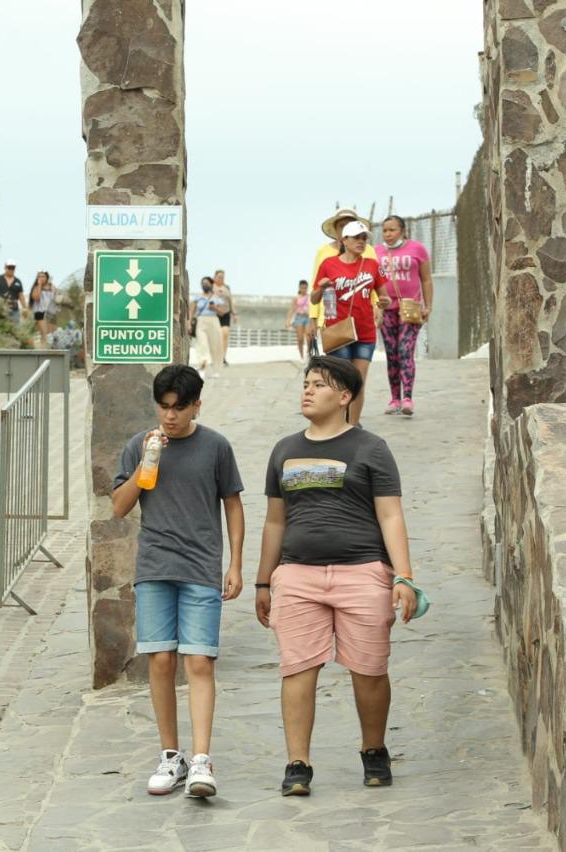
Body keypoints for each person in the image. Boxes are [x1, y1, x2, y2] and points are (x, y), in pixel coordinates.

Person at [254, 356, 418, 796]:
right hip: (296, 576)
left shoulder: (371, 448)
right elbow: (274, 521)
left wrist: (403, 576)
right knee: (298, 669)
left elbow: (391, 516)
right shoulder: (285, 450)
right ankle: (298, 764)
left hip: (362, 573)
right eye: (305, 384)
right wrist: (264, 581)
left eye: (319, 385)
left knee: (368, 670)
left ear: (344, 397)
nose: (307, 391)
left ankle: (373, 748)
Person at [112, 365, 245, 798]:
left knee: (199, 662)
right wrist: (145, 464)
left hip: (201, 567)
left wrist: (236, 563)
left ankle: (202, 759)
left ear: (196, 406)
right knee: (161, 661)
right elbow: (118, 507)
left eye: (180, 408)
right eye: (164, 407)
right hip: (154, 567)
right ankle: (172, 756)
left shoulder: (215, 447)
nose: (170, 416)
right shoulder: (139, 445)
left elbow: (233, 505)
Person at [311, 221, 389, 426]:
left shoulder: (373, 265)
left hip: (365, 332)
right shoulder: (328, 264)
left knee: (358, 383)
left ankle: (352, 426)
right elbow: (313, 299)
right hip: (339, 330)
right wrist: (320, 288)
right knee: (341, 382)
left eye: (364, 238)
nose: (362, 242)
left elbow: (383, 295)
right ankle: (337, 422)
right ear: (344, 240)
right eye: (357, 238)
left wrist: (383, 304)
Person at [375, 216, 433, 416]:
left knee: (404, 350)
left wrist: (428, 305)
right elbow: (373, 282)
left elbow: (426, 280)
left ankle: (407, 398)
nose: (388, 234)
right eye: (385, 231)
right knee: (392, 354)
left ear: (403, 230)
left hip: (410, 308)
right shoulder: (377, 252)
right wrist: (376, 308)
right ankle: (394, 399)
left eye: (392, 230)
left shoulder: (418, 249)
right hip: (386, 309)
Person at [190, 276, 227, 377]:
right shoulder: (197, 298)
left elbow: (222, 313)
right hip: (201, 321)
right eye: (203, 283)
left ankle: (216, 370)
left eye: (206, 283)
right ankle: (202, 367)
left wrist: (214, 307)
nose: (204, 285)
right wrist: (189, 323)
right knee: (202, 345)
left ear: (211, 284)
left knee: (216, 347)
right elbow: (191, 312)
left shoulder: (216, 298)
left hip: (214, 321)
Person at [285, 279, 312, 361]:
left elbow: (313, 308)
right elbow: (292, 309)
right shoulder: (296, 298)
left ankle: (308, 353)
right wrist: (288, 320)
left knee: (309, 337)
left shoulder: (309, 297)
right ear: (299, 288)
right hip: (299, 318)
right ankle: (301, 356)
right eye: (302, 288)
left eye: (305, 288)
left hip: (307, 318)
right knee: (300, 338)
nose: (304, 289)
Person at [30, 271, 58, 347]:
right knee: (44, 332)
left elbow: (57, 298)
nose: (41, 278)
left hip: (51, 313)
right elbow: (36, 297)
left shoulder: (52, 287)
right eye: (39, 276)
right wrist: (39, 285)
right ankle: (43, 348)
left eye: (43, 276)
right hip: (40, 312)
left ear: (47, 277)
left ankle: (50, 348)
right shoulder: (36, 287)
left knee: (51, 332)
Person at [213, 270, 234, 365]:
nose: (221, 278)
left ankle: (223, 357)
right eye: (219, 277)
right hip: (214, 314)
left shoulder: (227, 287)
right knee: (217, 335)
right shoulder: (211, 287)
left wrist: (234, 313)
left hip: (226, 313)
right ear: (215, 277)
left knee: (225, 334)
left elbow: (230, 301)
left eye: (223, 277)